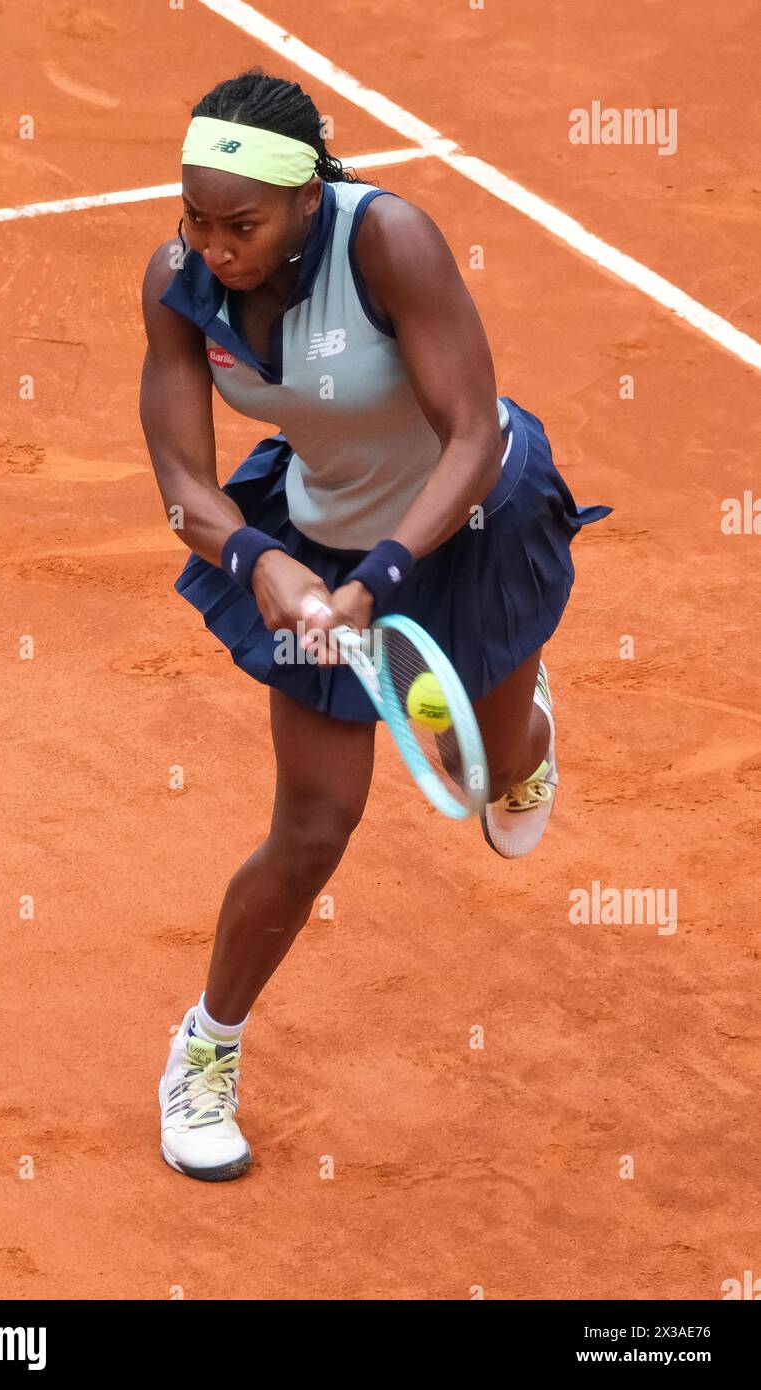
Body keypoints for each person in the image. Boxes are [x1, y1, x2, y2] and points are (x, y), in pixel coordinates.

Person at [139, 69, 611, 1181]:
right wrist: (262, 562)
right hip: (324, 540)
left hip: (467, 517)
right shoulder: (175, 283)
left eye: (239, 224)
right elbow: (179, 483)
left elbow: (468, 436)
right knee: (312, 829)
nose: (213, 245)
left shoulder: (389, 239)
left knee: (490, 772)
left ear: (309, 198)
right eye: (194, 219)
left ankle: (519, 731)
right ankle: (205, 1050)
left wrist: (377, 580)